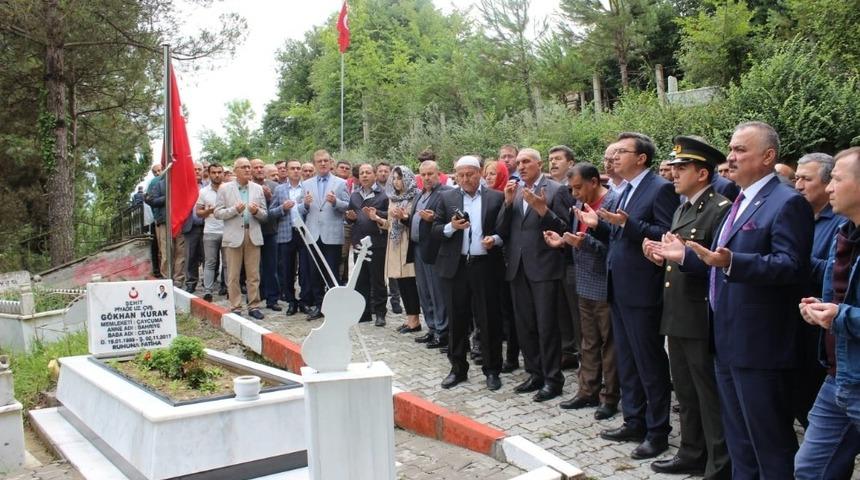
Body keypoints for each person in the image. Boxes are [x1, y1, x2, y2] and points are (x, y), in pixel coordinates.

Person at [672, 121, 814, 478]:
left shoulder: (787, 202)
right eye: (731, 149)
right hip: (727, 340)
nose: (730, 158)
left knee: (769, 442)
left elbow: (792, 266)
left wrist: (734, 261)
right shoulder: (740, 200)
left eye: (740, 151)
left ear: (768, 157)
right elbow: (718, 265)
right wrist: (685, 257)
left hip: (761, 345)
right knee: (739, 442)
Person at [579, 132, 677, 459]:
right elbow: (619, 233)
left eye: (622, 152)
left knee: (649, 361)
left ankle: (657, 430)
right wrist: (598, 224)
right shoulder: (625, 190)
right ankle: (633, 419)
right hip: (618, 286)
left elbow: (665, 235)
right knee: (627, 359)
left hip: (642, 289)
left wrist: (628, 223)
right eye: (614, 152)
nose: (615, 157)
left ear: (641, 158)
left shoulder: (659, 189)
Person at [643, 136, 732, 478]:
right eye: (675, 167)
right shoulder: (682, 207)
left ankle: (719, 463)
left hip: (698, 315)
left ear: (703, 173)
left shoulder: (719, 209)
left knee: (708, 395)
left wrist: (680, 258)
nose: (674, 173)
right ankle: (692, 452)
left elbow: (718, 266)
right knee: (685, 390)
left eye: (682, 168)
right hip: (677, 312)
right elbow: (680, 259)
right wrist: (659, 256)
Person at [795, 146, 860, 479]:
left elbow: (845, 310)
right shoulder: (845, 234)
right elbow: (835, 290)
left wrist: (840, 316)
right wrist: (819, 310)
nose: (829, 187)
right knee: (810, 468)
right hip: (838, 377)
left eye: (836, 179)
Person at [496, 147, 571, 402]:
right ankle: (535, 373)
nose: (521, 166)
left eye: (526, 161)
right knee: (525, 324)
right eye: (518, 163)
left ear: (539, 164)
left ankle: (553, 379)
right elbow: (503, 230)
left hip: (544, 267)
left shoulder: (556, 190)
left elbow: (564, 228)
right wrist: (506, 203)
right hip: (518, 267)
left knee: (547, 326)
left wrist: (542, 210)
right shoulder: (515, 190)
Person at [545, 162, 619, 421]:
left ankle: (610, 397)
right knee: (587, 341)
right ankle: (586, 390)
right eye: (571, 188)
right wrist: (563, 242)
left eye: (578, 188)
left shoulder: (613, 203)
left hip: (606, 283)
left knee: (609, 344)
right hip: (583, 280)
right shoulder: (578, 207)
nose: (574, 193)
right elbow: (579, 240)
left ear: (594, 181)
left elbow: (616, 248)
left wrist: (585, 241)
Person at [433, 156, 506, 391]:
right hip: (456, 267)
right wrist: (451, 227)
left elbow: (505, 229)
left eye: (470, 174)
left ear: (480, 173)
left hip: (485, 265)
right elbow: (434, 229)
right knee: (457, 318)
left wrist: (494, 239)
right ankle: (457, 369)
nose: (465, 179)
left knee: (488, 319)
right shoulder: (446, 197)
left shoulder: (496, 197)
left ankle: (492, 369)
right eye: (461, 175)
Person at [794, 152, 845, 429]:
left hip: (823, 328)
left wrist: (797, 259)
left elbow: (835, 270)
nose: (798, 185)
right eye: (796, 178)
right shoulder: (796, 215)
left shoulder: (841, 222)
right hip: (796, 321)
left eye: (806, 179)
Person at [214, 157, 269, 319]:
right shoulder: (225, 189)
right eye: (243, 167)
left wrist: (256, 212)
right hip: (233, 235)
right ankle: (236, 306)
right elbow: (217, 213)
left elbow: (265, 215)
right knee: (233, 274)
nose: (247, 170)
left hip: (252, 234)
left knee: (253, 274)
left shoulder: (258, 189)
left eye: (249, 167)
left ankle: (254, 306)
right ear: (235, 170)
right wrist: (234, 210)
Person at [298, 150, 350, 321]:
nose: (323, 163)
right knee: (315, 272)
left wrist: (336, 202)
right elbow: (298, 209)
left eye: (326, 161)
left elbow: (347, 206)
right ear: (314, 164)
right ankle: (319, 306)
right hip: (313, 234)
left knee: (332, 272)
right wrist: (304, 205)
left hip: (332, 234)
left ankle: (334, 307)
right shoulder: (306, 184)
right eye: (319, 161)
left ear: (331, 163)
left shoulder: (341, 183)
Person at [409, 155, 452, 349]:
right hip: (418, 247)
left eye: (430, 174)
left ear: (438, 174)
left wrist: (433, 219)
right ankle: (432, 327)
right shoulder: (419, 194)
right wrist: (405, 218)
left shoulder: (446, 193)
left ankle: (443, 332)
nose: (426, 178)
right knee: (424, 291)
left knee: (437, 292)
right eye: (423, 174)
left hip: (435, 249)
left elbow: (448, 221)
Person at [345, 163, 389, 326]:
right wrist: (350, 217)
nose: (364, 175)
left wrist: (376, 214)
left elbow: (388, 216)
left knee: (377, 279)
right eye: (362, 173)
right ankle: (363, 313)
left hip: (377, 242)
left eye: (368, 172)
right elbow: (351, 216)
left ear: (375, 175)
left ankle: (380, 313)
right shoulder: (355, 195)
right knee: (360, 279)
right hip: (358, 242)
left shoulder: (383, 195)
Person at [380, 166, 422, 333]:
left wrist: (404, 218)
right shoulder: (393, 198)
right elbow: (390, 224)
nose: (397, 182)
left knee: (410, 283)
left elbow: (417, 222)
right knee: (401, 283)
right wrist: (378, 219)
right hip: (395, 245)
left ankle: (415, 320)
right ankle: (409, 318)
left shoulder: (416, 196)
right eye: (395, 178)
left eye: (400, 178)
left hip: (408, 244)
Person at [270, 160, 309, 315]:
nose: (296, 171)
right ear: (285, 171)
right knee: (287, 270)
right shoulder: (279, 190)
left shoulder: (307, 188)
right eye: (292, 168)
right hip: (286, 233)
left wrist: (306, 205)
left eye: (298, 168)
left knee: (305, 269)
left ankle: (304, 301)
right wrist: (282, 208)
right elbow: (271, 213)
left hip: (304, 233)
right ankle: (291, 301)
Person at [251, 158, 282, 311]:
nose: (259, 169)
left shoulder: (275, 186)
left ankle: (272, 299)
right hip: (252, 231)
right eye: (255, 167)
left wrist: (269, 198)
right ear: (250, 170)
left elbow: (277, 210)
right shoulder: (247, 187)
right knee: (253, 268)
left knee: (271, 267)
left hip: (270, 231)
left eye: (261, 167)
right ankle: (256, 296)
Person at [196, 163, 226, 302]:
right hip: (210, 231)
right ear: (209, 173)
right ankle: (208, 291)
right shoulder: (203, 192)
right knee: (210, 262)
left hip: (227, 231)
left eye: (219, 172)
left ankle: (227, 288)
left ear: (223, 174)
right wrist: (208, 211)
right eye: (213, 172)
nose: (217, 175)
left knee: (228, 263)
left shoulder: (230, 189)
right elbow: (198, 212)